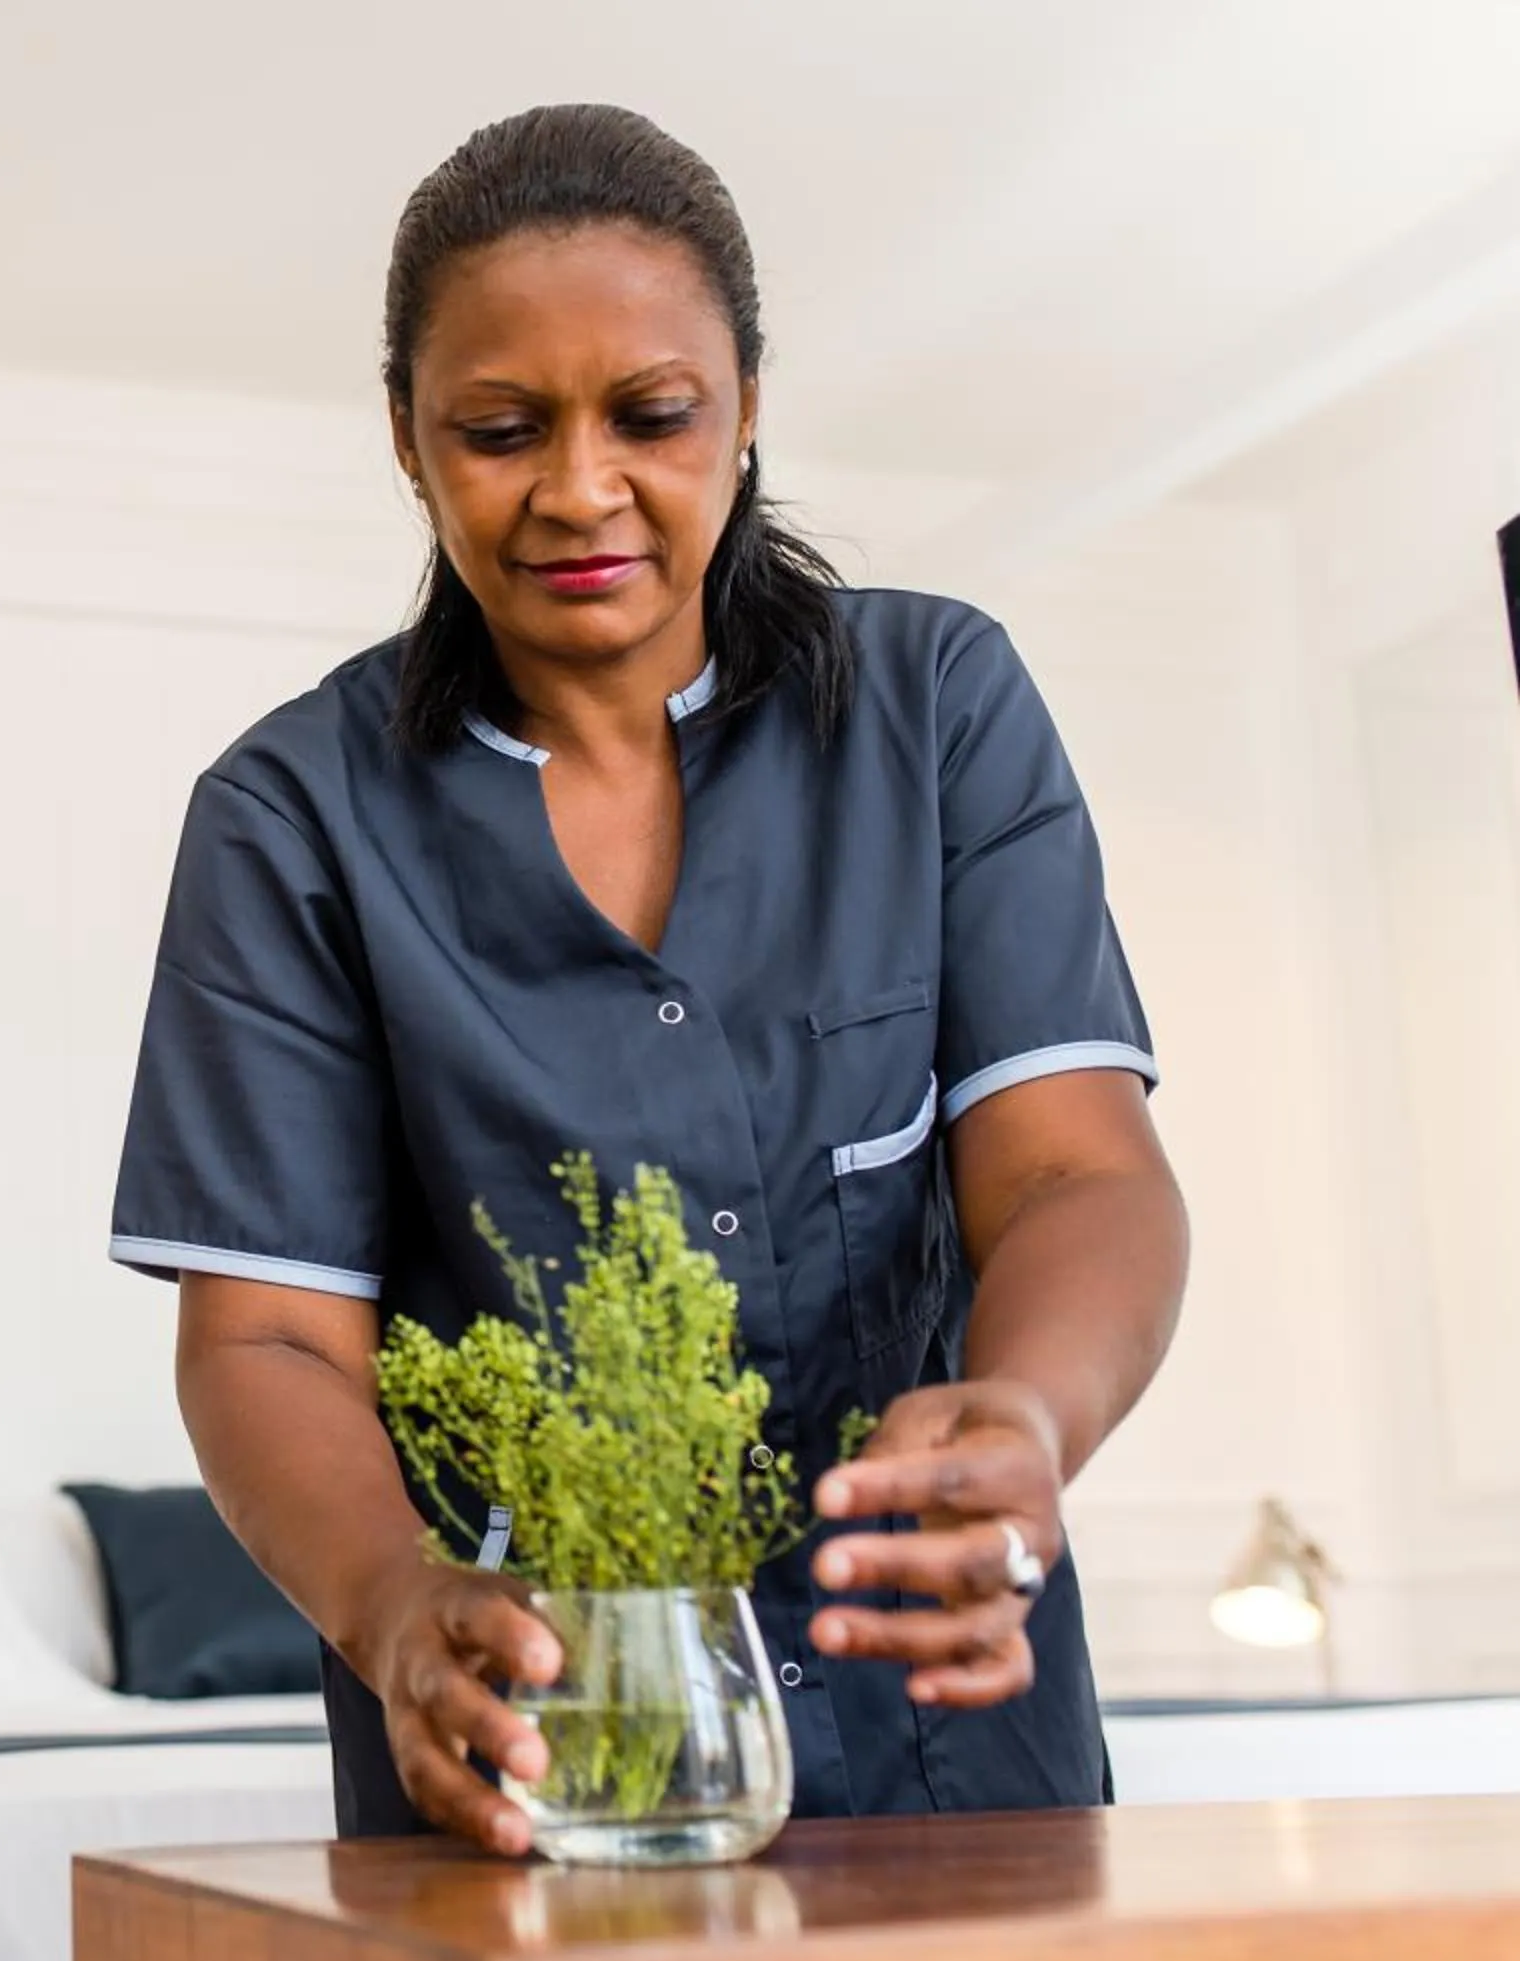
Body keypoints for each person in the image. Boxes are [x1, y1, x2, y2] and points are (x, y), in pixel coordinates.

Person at [107, 104, 1190, 1851]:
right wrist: (393, 1607)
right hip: (527, 1757)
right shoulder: (290, 819)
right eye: (499, 428)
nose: (579, 489)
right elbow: (265, 1335)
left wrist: (1032, 1422)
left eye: (654, 415)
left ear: (748, 408)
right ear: (406, 439)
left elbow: (1077, 1169)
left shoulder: (938, 710)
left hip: (951, 1726)